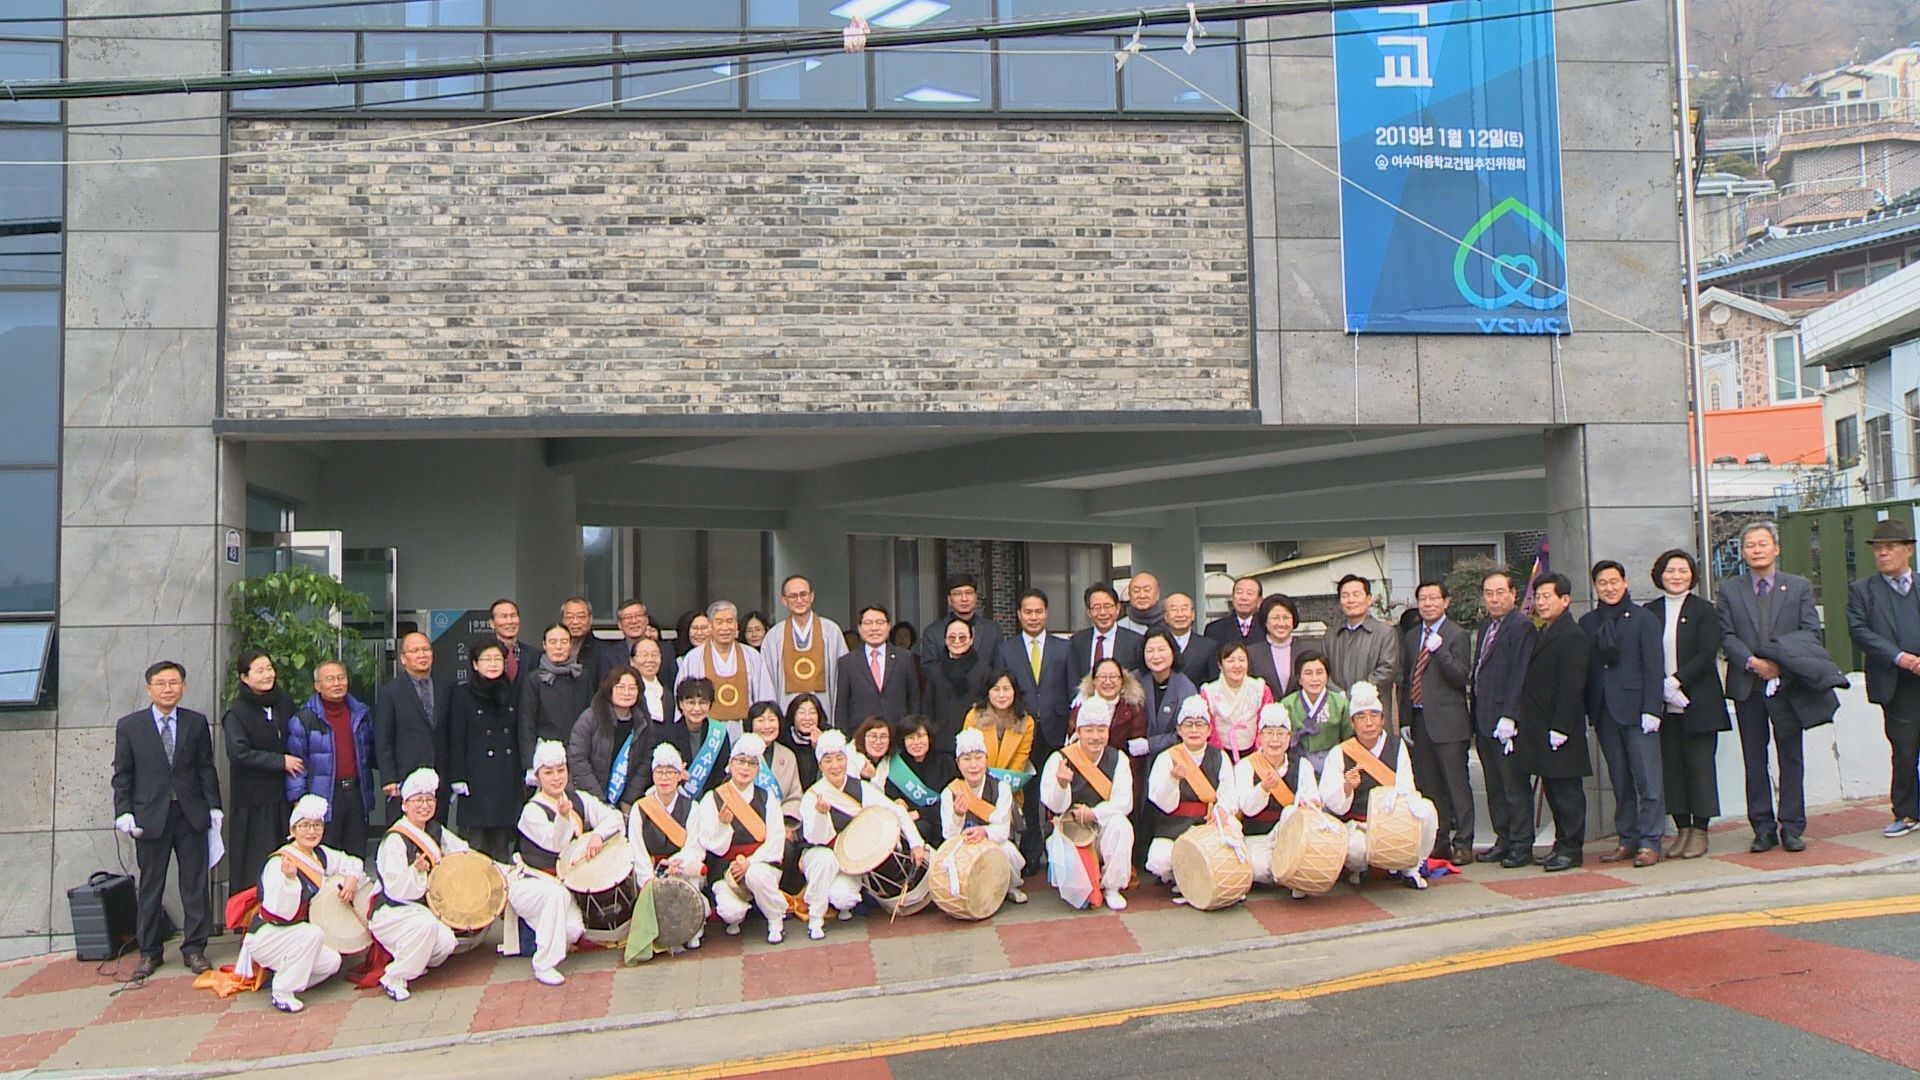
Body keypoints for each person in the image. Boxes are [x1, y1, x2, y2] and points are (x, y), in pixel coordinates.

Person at [1716, 521, 1822, 853]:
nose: (1757, 550)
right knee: (1754, 758)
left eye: (1763, 544)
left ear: (1776, 548)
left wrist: (1781, 664)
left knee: (1791, 756)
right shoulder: (1730, 590)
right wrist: (1753, 662)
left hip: (1788, 683)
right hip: (1748, 684)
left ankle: (1792, 826)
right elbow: (1726, 635)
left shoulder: (1799, 586)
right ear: (1743, 552)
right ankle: (1762, 827)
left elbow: (1810, 632)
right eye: (1750, 545)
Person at [113, 660, 222, 980]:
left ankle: (195, 949)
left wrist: (214, 807)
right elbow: (123, 774)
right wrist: (124, 811)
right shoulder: (130, 726)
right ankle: (149, 952)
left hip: (190, 814)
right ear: (149, 688)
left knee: (195, 884)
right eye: (161, 683)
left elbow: (205, 768)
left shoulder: (196, 722)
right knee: (150, 886)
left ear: (184, 687)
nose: (168, 689)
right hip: (151, 816)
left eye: (174, 683)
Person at [502, 740, 622, 985]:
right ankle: (544, 964)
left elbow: (615, 817)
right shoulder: (531, 811)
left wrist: (598, 835)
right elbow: (555, 844)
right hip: (530, 883)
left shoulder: (579, 799)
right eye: (549, 773)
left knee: (572, 931)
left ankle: (536, 934)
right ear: (538, 776)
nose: (556, 778)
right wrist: (563, 817)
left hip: (562, 886)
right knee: (555, 896)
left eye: (560, 771)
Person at [246, 794, 370, 1013]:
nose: (312, 831)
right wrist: (290, 880)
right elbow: (280, 912)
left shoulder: (320, 855)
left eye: (316, 825)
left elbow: (352, 862)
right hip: (269, 934)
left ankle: (286, 973)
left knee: (332, 961)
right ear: (293, 830)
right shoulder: (279, 862)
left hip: (298, 937)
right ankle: (282, 991)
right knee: (312, 934)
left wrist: (352, 879)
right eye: (305, 826)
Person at [1580, 560, 1667, 868]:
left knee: (1648, 780)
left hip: (1637, 708)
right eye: (1603, 583)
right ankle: (1627, 838)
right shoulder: (1588, 622)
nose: (1609, 587)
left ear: (1625, 583)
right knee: (1619, 779)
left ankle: (1650, 840)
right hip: (1605, 710)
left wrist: (1652, 709)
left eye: (1614, 581)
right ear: (1595, 587)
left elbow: (1654, 667)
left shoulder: (1643, 619)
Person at [799, 730, 924, 940]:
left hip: (850, 859)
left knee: (844, 897)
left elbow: (896, 811)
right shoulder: (812, 796)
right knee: (825, 859)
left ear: (846, 761)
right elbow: (815, 838)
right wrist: (821, 815)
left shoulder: (861, 788)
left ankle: (840, 905)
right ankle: (815, 918)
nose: (835, 766)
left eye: (839, 759)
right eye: (828, 761)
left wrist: (916, 843)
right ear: (820, 765)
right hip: (820, 854)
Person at [368, 768, 474, 1002]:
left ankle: (413, 959)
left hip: (420, 909)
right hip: (393, 911)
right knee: (426, 926)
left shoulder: (435, 830)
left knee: (447, 942)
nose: (424, 805)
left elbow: (461, 851)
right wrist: (415, 872)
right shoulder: (395, 839)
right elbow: (395, 888)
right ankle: (394, 976)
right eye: (418, 800)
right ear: (405, 805)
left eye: (429, 800)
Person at [1317, 682, 1433, 890]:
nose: (1368, 723)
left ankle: (1410, 866)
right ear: (1353, 723)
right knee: (1355, 849)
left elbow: (1407, 786)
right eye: (1361, 718)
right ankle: (1359, 869)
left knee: (1427, 811)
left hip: (1393, 820)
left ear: (1382, 719)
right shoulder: (1340, 752)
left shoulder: (1397, 747)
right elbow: (1330, 800)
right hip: (1359, 825)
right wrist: (1346, 788)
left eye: (1373, 716)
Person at [1648, 549, 1726, 860]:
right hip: (1663, 707)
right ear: (1659, 574)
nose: (1676, 576)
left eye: (1682, 570)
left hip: (1698, 701)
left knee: (1699, 767)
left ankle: (1700, 830)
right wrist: (1661, 688)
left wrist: (1677, 681)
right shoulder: (1650, 611)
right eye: (1670, 570)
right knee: (1672, 768)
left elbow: (1706, 654)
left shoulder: (1705, 610)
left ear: (1692, 575)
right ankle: (1681, 829)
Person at [1845, 518, 1920, 840]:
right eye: (1879, 549)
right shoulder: (1863, 590)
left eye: (1890, 547)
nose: (1883, 554)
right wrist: (1900, 657)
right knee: (1904, 750)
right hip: (1896, 683)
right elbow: (1860, 631)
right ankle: (1906, 813)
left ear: (1908, 551)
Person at [1518, 573, 1592, 872]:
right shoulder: (1544, 631)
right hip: (1540, 726)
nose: (1542, 602)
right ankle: (1561, 843)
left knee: (1567, 791)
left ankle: (1572, 848)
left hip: (1562, 728)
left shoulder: (1573, 636)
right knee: (1553, 788)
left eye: (1548, 596)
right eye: (1538, 597)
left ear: (1565, 599)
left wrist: (1561, 727)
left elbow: (1572, 686)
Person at [1402, 581, 1475, 866]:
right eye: (1423, 598)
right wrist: (1406, 718)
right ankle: (1439, 840)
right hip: (1420, 720)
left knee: (1457, 785)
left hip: (1450, 722)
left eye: (1434, 598)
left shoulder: (1456, 634)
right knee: (1429, 787)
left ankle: (1464, 843)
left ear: (1446, 602)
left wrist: (1440, 651)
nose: (1428, 603)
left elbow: (1460, 676)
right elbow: (1407, 678)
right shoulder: (1410, 636)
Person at [691, 735, 789, 943]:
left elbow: (776, 839)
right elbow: (710, 843)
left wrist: (749, 863)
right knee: (730, 912)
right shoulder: (712, 798)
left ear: (757, 768)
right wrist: (723, 825)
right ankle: (737, 916)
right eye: (740, 761)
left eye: (752, 763)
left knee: (756, 875)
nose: (745, 768)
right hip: (725, 866)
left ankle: (775, 918)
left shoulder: (767, 797)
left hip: (760, 864)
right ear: (730, 764)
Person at [997, 590, 1071, 867]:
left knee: (1058, 789)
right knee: (1028, 792)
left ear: (1046, 613)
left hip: (1056, 728)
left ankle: (1059, 851)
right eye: (1027, 612)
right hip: (1021, 730)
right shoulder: (1006, 649)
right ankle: (1031, 852)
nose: (1033, 617)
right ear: (1018, 615)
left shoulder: (1063, 647)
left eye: (1038, 611)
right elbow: (1003, 691)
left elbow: (1072, 686)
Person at [1469, 570, 1538, 868]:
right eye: (1489, 593)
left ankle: (1522, 844)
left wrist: (1510, 715)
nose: (1494, 598)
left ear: (1513, 594)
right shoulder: (1487, 626)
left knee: (1513, 786)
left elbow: (1520, 674)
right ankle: (1504, 838)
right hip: (1483, 718)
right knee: (1495, 785)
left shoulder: (1521, 626)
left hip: (1507, 722)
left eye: (1500, 592)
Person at [1038, 700, 1134, 910]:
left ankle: (1112, 887)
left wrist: (1094, 813)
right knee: (1079, 898)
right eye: (1089, 730)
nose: (1095, 736)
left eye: (1101, 730)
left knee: (1121, 825)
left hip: (1100, 826)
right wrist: (1062, 784)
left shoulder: (1119, 759)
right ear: (1078, 731)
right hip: (1069, 829)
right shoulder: (1060, 758)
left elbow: (1124, 802)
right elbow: (1052, 804)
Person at [223, 650, 299, 900]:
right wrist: (280, 761)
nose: (268, 675)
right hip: (253, 802)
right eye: (260, 670)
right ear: (244, 677)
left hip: (283, 797)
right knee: (256, 862)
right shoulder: (236, 713)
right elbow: (239, 753)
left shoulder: (284, 703)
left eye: (269, 668)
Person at [1143, 697, 1238, 892]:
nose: (1194, 730)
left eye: (1200, 724)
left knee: (1234, 830)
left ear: (1209, 730)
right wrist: (1173, 779)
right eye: (1188, 725)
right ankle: (1180, 878)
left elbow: (1229, 793)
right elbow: (1160, 802)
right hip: (1174, 826)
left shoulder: (1220, 756)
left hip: (1208, 824)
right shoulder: (1166, 758)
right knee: (1159, 860)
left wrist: (1221, 810)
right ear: (1179, 730)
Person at [286, 660, 375, 858]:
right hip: (323, 795)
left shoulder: (360, 714)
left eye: (341, 678)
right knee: (324, 856)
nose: (337, 683)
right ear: (317, 686)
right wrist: (299, 801)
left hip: (355, 793)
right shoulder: (304, 719)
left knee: (356, 856)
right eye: (330, 679)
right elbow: (295, 764)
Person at [446, 642, 521, 863]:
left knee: (502, 846)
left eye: (498, 659)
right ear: (475, 665)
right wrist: (457, 776)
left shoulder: (514, 691)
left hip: (506, 775)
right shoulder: (462, 694)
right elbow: (456, 738)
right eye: (487, 659)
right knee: (475, 846)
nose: (493, 664)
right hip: (476, 778)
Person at [1236, 705, 1320, 894]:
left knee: (1291, 812)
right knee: (1259, 870)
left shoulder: (1302, 765)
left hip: (1291, 839)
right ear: (1260, 737)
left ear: (1289, 738)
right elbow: (1247, 808)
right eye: (1269, 733)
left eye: (1281, 734)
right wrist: (1263, 788)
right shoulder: (1246, 766)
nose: (1275, 739)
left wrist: (1310, 805)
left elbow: (1313, 798)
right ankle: (1289, 876)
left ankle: (1292, 871)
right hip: (1258, 837)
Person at [941, 729, 1028, 905]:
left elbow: (1003, 830)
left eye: (978, 758)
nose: (973, 765)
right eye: (967, 759)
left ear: (986, 759)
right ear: (958, 763)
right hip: (964, 847)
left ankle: (1010, 887)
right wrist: (958, 816)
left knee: (1008, 850)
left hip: (992, 843)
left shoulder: (1001, 788)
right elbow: (948, 836)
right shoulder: (950, 792)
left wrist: (984, 832)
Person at [375, 631, 451, 821]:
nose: (422, 655)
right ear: (403, 658)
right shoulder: (390, 692)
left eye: (426, 649)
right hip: (404, 779)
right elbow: (383, 739)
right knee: (404, 838)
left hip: (439, 777)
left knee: (436, 836)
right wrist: (389, 777)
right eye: (415, 650)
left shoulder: (447, 688)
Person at [677, 602, 775, 736]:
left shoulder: (752, 656)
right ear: (710, 626)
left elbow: (764, 697)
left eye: (730, 621)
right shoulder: (694, 658)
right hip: (707, 733)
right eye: (719, 622)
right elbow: (683, 699)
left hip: (744, 732)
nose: (725, 627)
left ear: (736, 625)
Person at [963, 670, 1037, 846]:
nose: (1001, 695)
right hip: (977, 787)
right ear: (988, 692)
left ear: (1015, 692)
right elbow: (968, 755)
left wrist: (1000, 790)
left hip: (1009, 788)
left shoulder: (1026, 722)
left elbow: (1020, 761)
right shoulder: (974, 716)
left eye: (1006, 689)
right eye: (996, 689)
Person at [762, 575, 848, 715]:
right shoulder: (774, 636)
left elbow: (843, 677)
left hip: (824, 707)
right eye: (793, 596)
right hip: (786, 709)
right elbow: (767, 683)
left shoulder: (831, 631)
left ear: (812, 596)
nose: (799, 600)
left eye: (803, 594)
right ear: (784, 600)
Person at [568, 667, 648, 812]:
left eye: (632, 688)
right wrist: (600, 800)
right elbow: (577, 759)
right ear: (609, 689)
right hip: (589, 799)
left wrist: (628, 799)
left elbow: (645, 761)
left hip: (624, 801)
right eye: (620, 687)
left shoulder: (643, 722)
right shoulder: (590, 717)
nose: (626, 693)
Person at [517, 623, 593, 775]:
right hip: (546, 756)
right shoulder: (534, 679)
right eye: (553, 642)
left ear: (571, 644)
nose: (558, 647)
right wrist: (530, 764)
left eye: (564, 642)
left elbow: (590, 716)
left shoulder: (582, 676)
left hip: (578, 753)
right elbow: (526, 724)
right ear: (544, 645)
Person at [1324, 577, 1402, 721]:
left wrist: (1352, 696)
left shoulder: (1385, 633)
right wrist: (1338, 695)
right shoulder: (1331, 634)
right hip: (1339, 712)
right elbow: (1323, 670)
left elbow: (1386, 671)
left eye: (1356, 594)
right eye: (1345, 595)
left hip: (1372, 713)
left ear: (1369, 599)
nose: (1351, 600)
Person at [835, 605, 921, 731]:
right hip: (861, 735)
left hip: (897, 733)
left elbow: (914, 700)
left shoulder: (905, 658)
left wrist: (912, 731)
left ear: (888, 626)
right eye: (868, 623)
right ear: (859, 628)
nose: (874, 628)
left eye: (879, 623)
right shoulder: (847, 662)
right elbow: (842, 707)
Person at [885, 715, 955, 848]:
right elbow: (891, 799)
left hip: (943, 823)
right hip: (912, 830)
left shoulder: (946, 763)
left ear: (929, 737)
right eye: (910, 738)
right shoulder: (896, 767)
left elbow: (952, 799)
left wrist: (920, 813)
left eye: (920, 736)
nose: (916, 742)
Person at [1279, 650, 1350, 775]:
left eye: (1320, 673)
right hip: (1297, 762)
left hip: (1333, 762)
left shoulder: (1340, 704)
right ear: (1299, 678)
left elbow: (1348, 739)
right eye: (1308, 673)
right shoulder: (1287, 705)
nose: (1314, 679)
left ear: (1327, 676)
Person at [925, 617, 992, 748]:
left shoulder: (984, 670)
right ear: (945, 640)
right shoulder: (935, 670)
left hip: (973, 742)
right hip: (940, 741)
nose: (956, 642)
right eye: (951, 637)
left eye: (962, 638)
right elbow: (927, 707)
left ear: (971, 640)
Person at [1199, 642, 1273, 760]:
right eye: (1230, 660)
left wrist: (1258, 753)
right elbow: (1208, 727)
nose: (1237, 665)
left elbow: (1266, 723)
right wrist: (1220, 757)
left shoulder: (1260, 689)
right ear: (1220, 665)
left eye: (1242, 660)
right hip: (1219, 753)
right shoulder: (1209, 692)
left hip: (1255, 752)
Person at [919, 573, 1001, 666]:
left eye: (969, 593)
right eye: (957, 594)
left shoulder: (993, 630)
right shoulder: (933, 632)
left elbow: (999, 668)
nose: (964, 599)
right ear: (949, 599)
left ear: (976, 597)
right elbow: (929, 668)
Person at [1070, 585, 1145, 685]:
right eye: (1096, 607)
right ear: (1089, 612)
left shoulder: (1136, 641)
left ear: (1118, 608)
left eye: (1107, 606)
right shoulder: (1077, 641)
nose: (1103, 612)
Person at [677, 678, 732, 800]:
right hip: (679, 802)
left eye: (702, 703)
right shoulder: (667, 735)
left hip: (712, 802)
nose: (697, 709)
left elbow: (723, 774)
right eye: (691, 702)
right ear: (681, 704)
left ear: (710, 705)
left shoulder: (719, 733)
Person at [1245, 594, 1311, 698]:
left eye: (1286, 617)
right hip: (1264, 711)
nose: (1281, 623)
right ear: (1265, 621)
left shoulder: (1307, 651)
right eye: (1275, 618)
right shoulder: (1251, 653)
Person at [602, 598, 674, 688]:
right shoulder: (609, 655)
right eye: (628, 617)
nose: (634, 621)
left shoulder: (666, 650)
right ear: (620, 625)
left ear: (647, 620)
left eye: (638, 615)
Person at [1163, 592, 1220, 686]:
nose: (1180, 614)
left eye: (1184, 609)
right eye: (1174, 609)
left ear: (1193, 615)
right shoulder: (1158, 646)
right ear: (1165, 617)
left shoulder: (1208, 646)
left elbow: (1214, 683)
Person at [781, 693, 828, 791]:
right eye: (801, 712)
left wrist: (820, 747)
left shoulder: (829, 737)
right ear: (793, 715)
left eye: (812, 713)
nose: (807, 718)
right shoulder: (783, 737)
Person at [488, 598, 537, 691]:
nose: (510, 621)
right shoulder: (483, 655)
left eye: (513, 615)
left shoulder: (535, 655)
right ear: (492, 623)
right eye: (504, 616)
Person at [1204, 576, 1264, 648]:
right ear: (1232, 597)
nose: (1243, 598)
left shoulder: (1266, 627)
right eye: (1239, 592)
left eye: (1249, 593)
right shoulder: (1214, 629)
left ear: (1259, 600)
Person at [561, 597, 611, 675]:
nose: (575, 622)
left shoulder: (605, 652)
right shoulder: (555, 649)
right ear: (563, 621)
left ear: (590, 619)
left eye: (581, 617)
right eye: (570, 617)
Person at [1120, 571, 1166, 635]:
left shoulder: (1173, 621)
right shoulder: (1120, 627)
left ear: (1157, 594)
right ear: (1129, 595)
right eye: (1136, 591)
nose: (1142, 595)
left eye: (1147, 590)